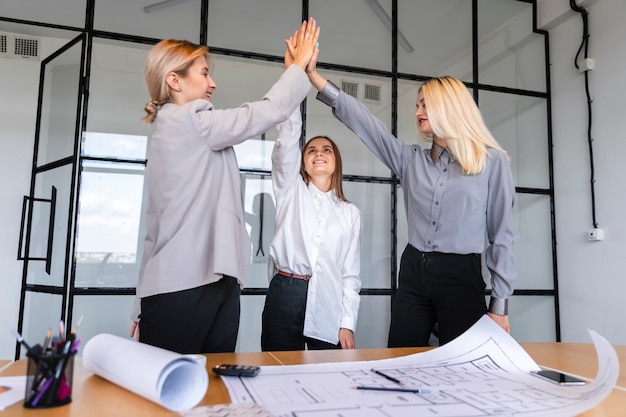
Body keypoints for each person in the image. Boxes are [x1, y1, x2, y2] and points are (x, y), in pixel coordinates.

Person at [129, 18, 320, 354]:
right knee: (174, 397)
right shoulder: (191, 120)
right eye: (204, 73)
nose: (212, 83)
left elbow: (152, 231)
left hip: (214, 281)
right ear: (174, 80)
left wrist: (139, 304)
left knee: (212, 389)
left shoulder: (177, 131)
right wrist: (298, 67)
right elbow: (267, 111)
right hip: (184, 289)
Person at [306, 56, 515, 347]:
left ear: (448, 106)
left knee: (461, 368)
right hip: (413, 272)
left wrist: (499, 305)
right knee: (400, 362)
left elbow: (502, 236)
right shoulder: (410, 159)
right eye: (417, 105)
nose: (417, 112)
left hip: (460, 277)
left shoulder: (492, 162)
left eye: (424, 104)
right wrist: (317, 79)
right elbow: (366, 124)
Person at [260, 105, 362, 350]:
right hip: (286, 292)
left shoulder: (350, 213)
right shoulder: (290, 191)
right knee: (279, 371)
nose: (319, 154)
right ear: (303, 163)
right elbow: (286, 145)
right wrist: (294, 84)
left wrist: (347, 323)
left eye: (326, 150)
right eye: (311, 151)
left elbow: (350, 274)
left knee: (328, 375)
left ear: (336, 162)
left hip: (329, 297)